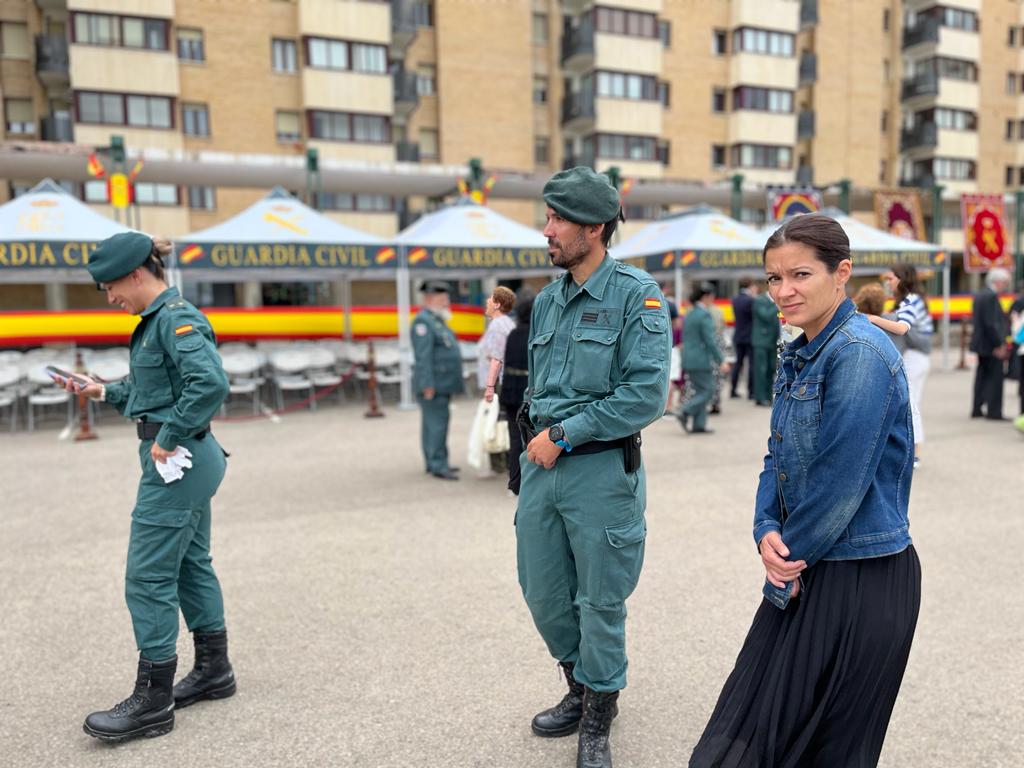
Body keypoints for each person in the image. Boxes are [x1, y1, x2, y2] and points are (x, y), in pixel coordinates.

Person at [689, 213, 920, 768]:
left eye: (800, 275)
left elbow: (841, 482)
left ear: (841, 273)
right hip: (808, 561)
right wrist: (764, 527)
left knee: (822, 749)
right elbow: (777, 458)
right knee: (755, 732)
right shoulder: (799, 349)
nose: (783, 292)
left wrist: (784, 559)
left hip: (860, 576)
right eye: (773, 279)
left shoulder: (859, 354)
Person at [517, 166, 670, 768]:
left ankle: (598, 714)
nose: (547, 230)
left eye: (557, 219)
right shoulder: (548, 299)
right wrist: (530, 440)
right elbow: (537, 387)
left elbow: (645, 396)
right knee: (543, 592)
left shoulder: (638, 295)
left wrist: (565, 433)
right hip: (541, 468)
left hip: (601, 471)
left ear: (595, 227)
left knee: (600, 600)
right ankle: (579, 682)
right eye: (548, 217)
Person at [66, 232, 236, 743]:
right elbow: (153, 391)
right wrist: (100, 390)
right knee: (188, 563)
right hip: (187, 458)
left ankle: (153, 699)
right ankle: (214, 670)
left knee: (146, 575)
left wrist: (169, 434)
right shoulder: (158, 320)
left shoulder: (174, 318)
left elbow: (210, 384)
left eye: (110, 286)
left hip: (178, 460)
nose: (109, 296)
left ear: (136, 274)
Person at [872, 265, 933, 467]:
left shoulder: (910, 300)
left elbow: (901, 328)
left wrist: (871, 318)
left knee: (910, 404)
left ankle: (914, 453)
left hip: (914, 357)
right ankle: (912, 452)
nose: (888, 282)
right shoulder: (913, 298)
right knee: (910, 403)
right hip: (917, 356)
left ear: (901, 279)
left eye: (891, 278)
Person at [412, 281, 465, 480]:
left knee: (433, 424)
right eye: (442, 299)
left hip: (441, 383)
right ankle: (438, 464)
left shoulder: (436, 320)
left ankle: (434, 461)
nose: (446, 302)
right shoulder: (423, 322)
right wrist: (427, 384)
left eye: (446, 299)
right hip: (434, 385)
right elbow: (422, 357)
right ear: (428, 299)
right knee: (437, 424)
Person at [678, 283, 730, 434]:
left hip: (688, 358)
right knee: (709, 390)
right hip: (700, 359)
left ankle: (698, 425)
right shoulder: (704, 314)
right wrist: (722, 360)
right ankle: (685, 411)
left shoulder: (690, 313)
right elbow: (710, 341)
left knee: (700, 390)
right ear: (706, 297)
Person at [477, 285, 517, 474]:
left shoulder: (496, 326)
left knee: (495, 420)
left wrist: (490, 387)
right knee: (505, 420)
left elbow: (496, 358)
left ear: (497, 304)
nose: (487, 301)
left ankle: (501, 463)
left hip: (499, 381)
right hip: (508, 379)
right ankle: (507, 462)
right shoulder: (509, 323)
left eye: (491, 298)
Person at [500, 289, 535, 495]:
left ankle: (515, 482)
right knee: (531, 438)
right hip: (528, 392)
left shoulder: (513, 333)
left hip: (511, 391)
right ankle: (528, 481)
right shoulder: (535, 335)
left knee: (515, 440)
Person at [970, 268, 1011, 420]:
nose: (1006, 286)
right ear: (998, 281)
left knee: (981, 376)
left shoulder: (981, 295)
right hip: (990, 345)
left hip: (981, 344)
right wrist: (999, 344)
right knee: (995, 378)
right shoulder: (991, 297)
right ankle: (994, 412)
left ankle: (977, 408)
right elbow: (992, 323)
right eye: (1005, 282)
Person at [749, 281, 779, 406]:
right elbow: (765, 316)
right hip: (761, 341)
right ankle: (759, 397)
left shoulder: (773, 302)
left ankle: (768, 396)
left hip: (773, 340)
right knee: (761, 369)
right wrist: (776, 304)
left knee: (771, 369)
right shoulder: (760, 301)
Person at [730, 277, 755, 399]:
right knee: (751, 364)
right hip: (749, 336)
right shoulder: (751, 300)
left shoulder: (735, 299)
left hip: (738, 335)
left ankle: (733, 389)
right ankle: (750, 392)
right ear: (750, 285)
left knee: (737, 364)